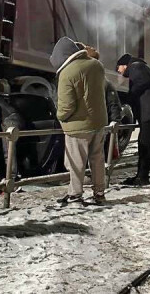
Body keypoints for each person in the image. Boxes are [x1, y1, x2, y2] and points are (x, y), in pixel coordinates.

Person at [50, 37, 108, 205]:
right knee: (97, 159)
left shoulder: (67, 73)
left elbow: (66, 106)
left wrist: (60, 116)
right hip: (98, 123)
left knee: (76, 163)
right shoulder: (97, 66)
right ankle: (99, 193)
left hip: (78, 126)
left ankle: (75, 195)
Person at [116, 53, 150, 186]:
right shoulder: (143, 68)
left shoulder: (136, 67)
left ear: (124, 65)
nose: (118, 71)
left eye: (118, 68)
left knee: (145, 145)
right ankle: (142, 175)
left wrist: (127, 96)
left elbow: (141, 83)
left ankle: (142, 177)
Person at [78, 44, 122, 159]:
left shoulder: (101, 81)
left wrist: (114, 123)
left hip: (94, 127)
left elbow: (113, 104)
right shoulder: (102, 80)